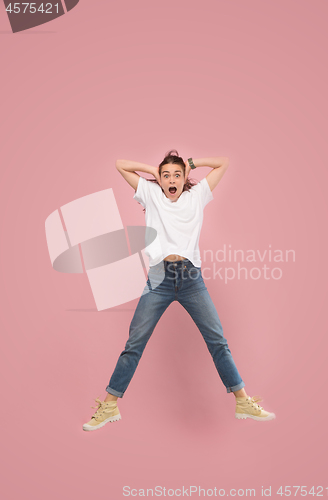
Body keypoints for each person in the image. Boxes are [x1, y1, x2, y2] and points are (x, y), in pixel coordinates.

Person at [83, 150, 276, 431]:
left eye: (177, 175)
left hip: (190, 279)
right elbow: (120, 165)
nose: (171, 180)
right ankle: (110, 405)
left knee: (217, 341)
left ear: (185, 177)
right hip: (159, 279)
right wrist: (154, 170)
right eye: (166, 175)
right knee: (134, 344)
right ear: (159, 180)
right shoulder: (151, 193)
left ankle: (243, 401)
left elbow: (224, 162)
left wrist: (192, 164)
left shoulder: (196, 196)